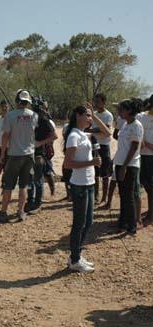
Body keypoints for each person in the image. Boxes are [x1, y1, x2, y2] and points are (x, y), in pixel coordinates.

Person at [63, 103, 110, 273]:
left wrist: (96, 116)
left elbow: (107, 133)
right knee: (79, 223)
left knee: (88, 221)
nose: (91, 118)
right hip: (80, 185)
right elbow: (68, 163)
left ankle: (76, 254)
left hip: (89, 183)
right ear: (78, 116)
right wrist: (91, 162)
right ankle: (75, 259)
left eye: (91, 116)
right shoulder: (74, 136)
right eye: (88, 115)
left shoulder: (84, 134)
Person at [0, 90, 38, 222]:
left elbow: (6, 136)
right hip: (29, 155)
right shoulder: (34, 115)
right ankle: (20, 211)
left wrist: (2, 153)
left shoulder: (10, 115)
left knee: (8, 185)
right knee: (23, 185)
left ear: (17, 100)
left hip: (14, 155)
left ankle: (3, 212)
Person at [114, 99, 144, 234]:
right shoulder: (125, 124)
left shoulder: (136, 125)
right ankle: (123, 222)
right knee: (123, 195)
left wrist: (125, 166)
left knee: (129, 196)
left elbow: (134, 147)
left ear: (129, 111)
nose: (119, 112)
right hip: (120, 163)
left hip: (129, 165)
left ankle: (131, 226)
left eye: (121, 109)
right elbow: (122, 146)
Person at [26, 99, 58, 213]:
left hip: (40, 154)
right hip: (29, 153)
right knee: (29, 179)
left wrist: (40, 143)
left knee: (38, 179)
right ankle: (30, 200)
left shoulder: (45, 121)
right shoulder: (29, 119)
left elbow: (54, 136)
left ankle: (38, 204)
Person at [90, 94, 114, 203]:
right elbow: (96, 129)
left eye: (98, 101)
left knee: (105, 173)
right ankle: (96, 196)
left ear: (104, 102)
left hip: (104, 146)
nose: (96, 103)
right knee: (95, 172)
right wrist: (96, 130)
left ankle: (104, 197)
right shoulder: (93, 114)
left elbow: (106, 132)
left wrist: (93, 131)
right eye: (95, 101)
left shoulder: (108, 115)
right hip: (94, 145)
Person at [102, 109, 126, 210]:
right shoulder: (120, 119)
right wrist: (122, 140)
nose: (119, 112)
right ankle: (109, 202)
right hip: (121, 152)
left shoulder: (137, 123)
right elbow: (115, 134)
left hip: (131, 156)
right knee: (114, 178)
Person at [138, 95, 153, 223]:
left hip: (149, 157)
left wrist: (146, 144)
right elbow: (138, 137)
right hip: (143, 156)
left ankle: (151, 213)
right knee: (146, 185)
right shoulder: (141, 117)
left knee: (150, 186)